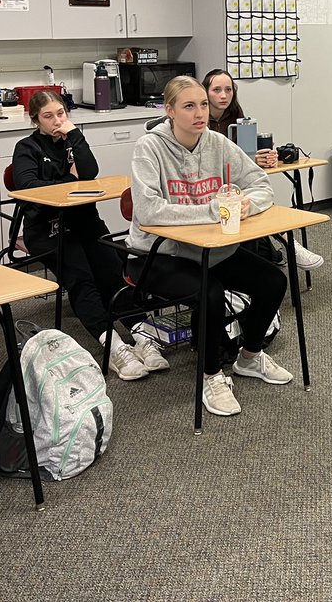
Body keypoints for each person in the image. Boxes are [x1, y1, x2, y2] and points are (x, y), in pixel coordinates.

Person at [129, 76, 293, 417]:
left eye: (203, 104)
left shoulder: (217, 143)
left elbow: (260, 184)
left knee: (273, 281)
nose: (199, 113)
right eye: (189, 106)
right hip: (160, 254)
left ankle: (248, 358)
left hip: (209, 249)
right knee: (211, 293)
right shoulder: (150, 148)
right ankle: (211, 375)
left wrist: (248, 203)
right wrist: (209, 211)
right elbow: (148, 210)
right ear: (170, 110)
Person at [12, 90, 168, 381]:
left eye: (61, 114)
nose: (57, 120)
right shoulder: (27, 148)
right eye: (48, 116)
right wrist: (71, 179)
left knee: (112, 271)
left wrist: (74, 136)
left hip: (84, 221)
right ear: (36, 120)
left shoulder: (73, 141)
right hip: (48, 229)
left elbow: (91, 172)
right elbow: (28, 187)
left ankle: (141, 334)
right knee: (82, 278)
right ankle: (114, 345)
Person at [203, 68, 324, 271]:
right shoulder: (200, 121)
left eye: (228, 89)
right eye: (216, 90)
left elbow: (242, 157)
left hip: (235, 184)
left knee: (259, 198)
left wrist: (260, 158)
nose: (223, 95)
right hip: (210, 186)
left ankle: (290, 246)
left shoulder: (238, 118)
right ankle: (287, 246)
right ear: (205, 91)